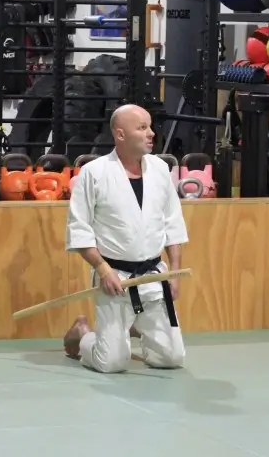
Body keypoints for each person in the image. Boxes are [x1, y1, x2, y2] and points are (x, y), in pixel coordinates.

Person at [62, 104, 188, 373]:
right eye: (142, 128)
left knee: (172, 358)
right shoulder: (94, 173)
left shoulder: (160, 170)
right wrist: (103, 270)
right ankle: (83, 334)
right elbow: (80, 229)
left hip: (154, 276)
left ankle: (130, 327)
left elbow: (173, 225)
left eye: (150, 126)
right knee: (112, 363)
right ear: (120, 135)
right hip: (115, 277)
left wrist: (174, 272)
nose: (151, 133)